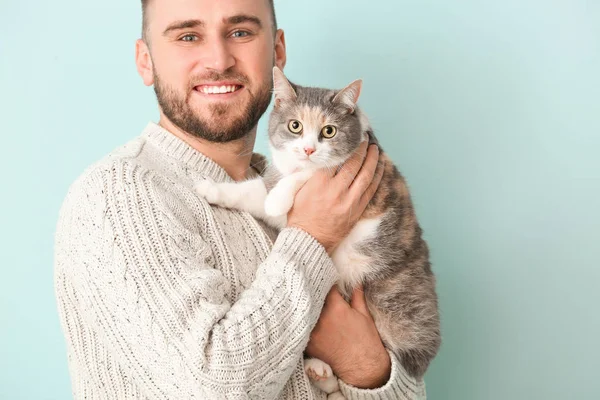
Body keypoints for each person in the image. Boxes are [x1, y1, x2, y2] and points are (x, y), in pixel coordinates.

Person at [53, 0, 427, 398]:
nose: (219, 60)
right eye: (188, 36)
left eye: (241, 32)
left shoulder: (307, 189)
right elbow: (212, 389)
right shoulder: (117, 196)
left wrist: (365, 364)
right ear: (146, 61)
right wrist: (314, 236)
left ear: (277, 52)